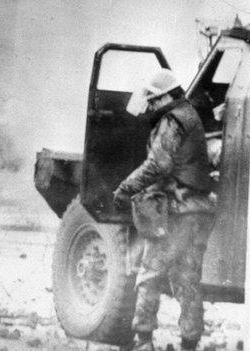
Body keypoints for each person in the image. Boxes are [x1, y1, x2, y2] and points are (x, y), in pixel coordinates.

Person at [112, 69, 214, 351]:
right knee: (188, 279)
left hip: (177, 212)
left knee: (149, 275)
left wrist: (125, 188)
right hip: (199, 210)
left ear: (168, 96)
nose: (152, 106)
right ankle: (189, 343)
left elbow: (158, 165)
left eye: (155, 100)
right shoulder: (190, 115)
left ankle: (143, 340)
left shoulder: (173, 121)